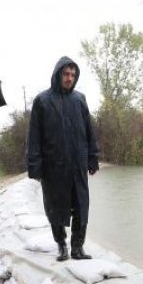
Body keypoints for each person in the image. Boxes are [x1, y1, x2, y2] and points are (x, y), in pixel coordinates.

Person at [26, 56, 99, 261]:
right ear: (58, 74)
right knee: (55, 206)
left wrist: (93, 158)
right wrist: (35, 166)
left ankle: (77, 247)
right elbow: (34, 137)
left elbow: (89, 131)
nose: (70, 78)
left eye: (73, 75)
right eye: (66, 74)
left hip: (78, 164)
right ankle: (61, 246)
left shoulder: (80, 99)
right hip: (53, 167)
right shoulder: (42, 101)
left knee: (81, 205)